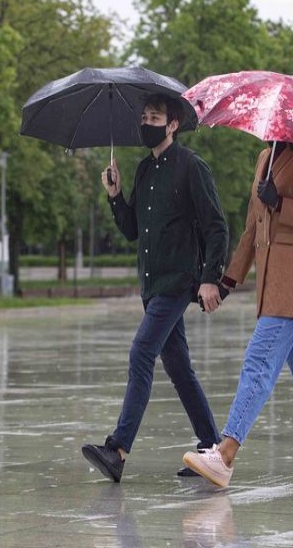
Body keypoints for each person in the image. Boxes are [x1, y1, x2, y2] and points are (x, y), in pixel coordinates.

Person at [81, 93, 229, 483]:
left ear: (173, 124)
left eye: (155, 116)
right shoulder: (144, 171)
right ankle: (212, 448)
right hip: (151, 285)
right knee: (179, 367)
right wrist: (115, 196)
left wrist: (210, 277)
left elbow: (217, 226)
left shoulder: (191, 167)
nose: (147, 122)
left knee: (141, 352)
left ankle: (117, 450)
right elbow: (132, 230)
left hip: (178, 282)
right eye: (143, 116)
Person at [182, 141, 293, 488]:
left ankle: (225, 454)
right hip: (272, 284)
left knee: (258, 363)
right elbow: (252, 229)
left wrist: (282, 204)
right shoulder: (263, 158)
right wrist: (226, 281)